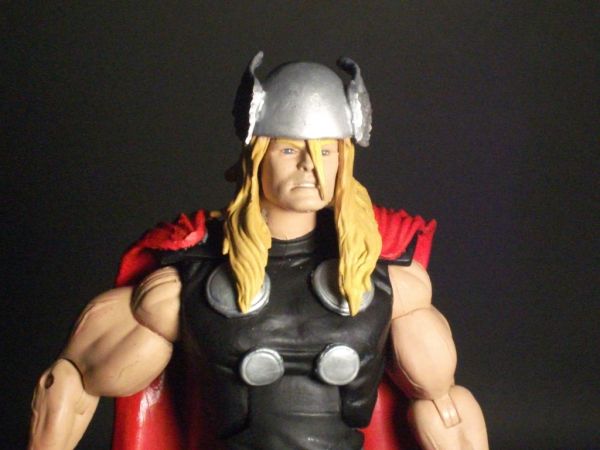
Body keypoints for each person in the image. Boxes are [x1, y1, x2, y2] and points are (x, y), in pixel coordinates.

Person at [29, 52, 488, 450]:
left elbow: (445, 408)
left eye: (327, 152)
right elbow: (71, 381)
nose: (310, 166)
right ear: (257, 156)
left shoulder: (391, 283)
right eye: (289, 150)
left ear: (344, 160)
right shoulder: (182, 286)